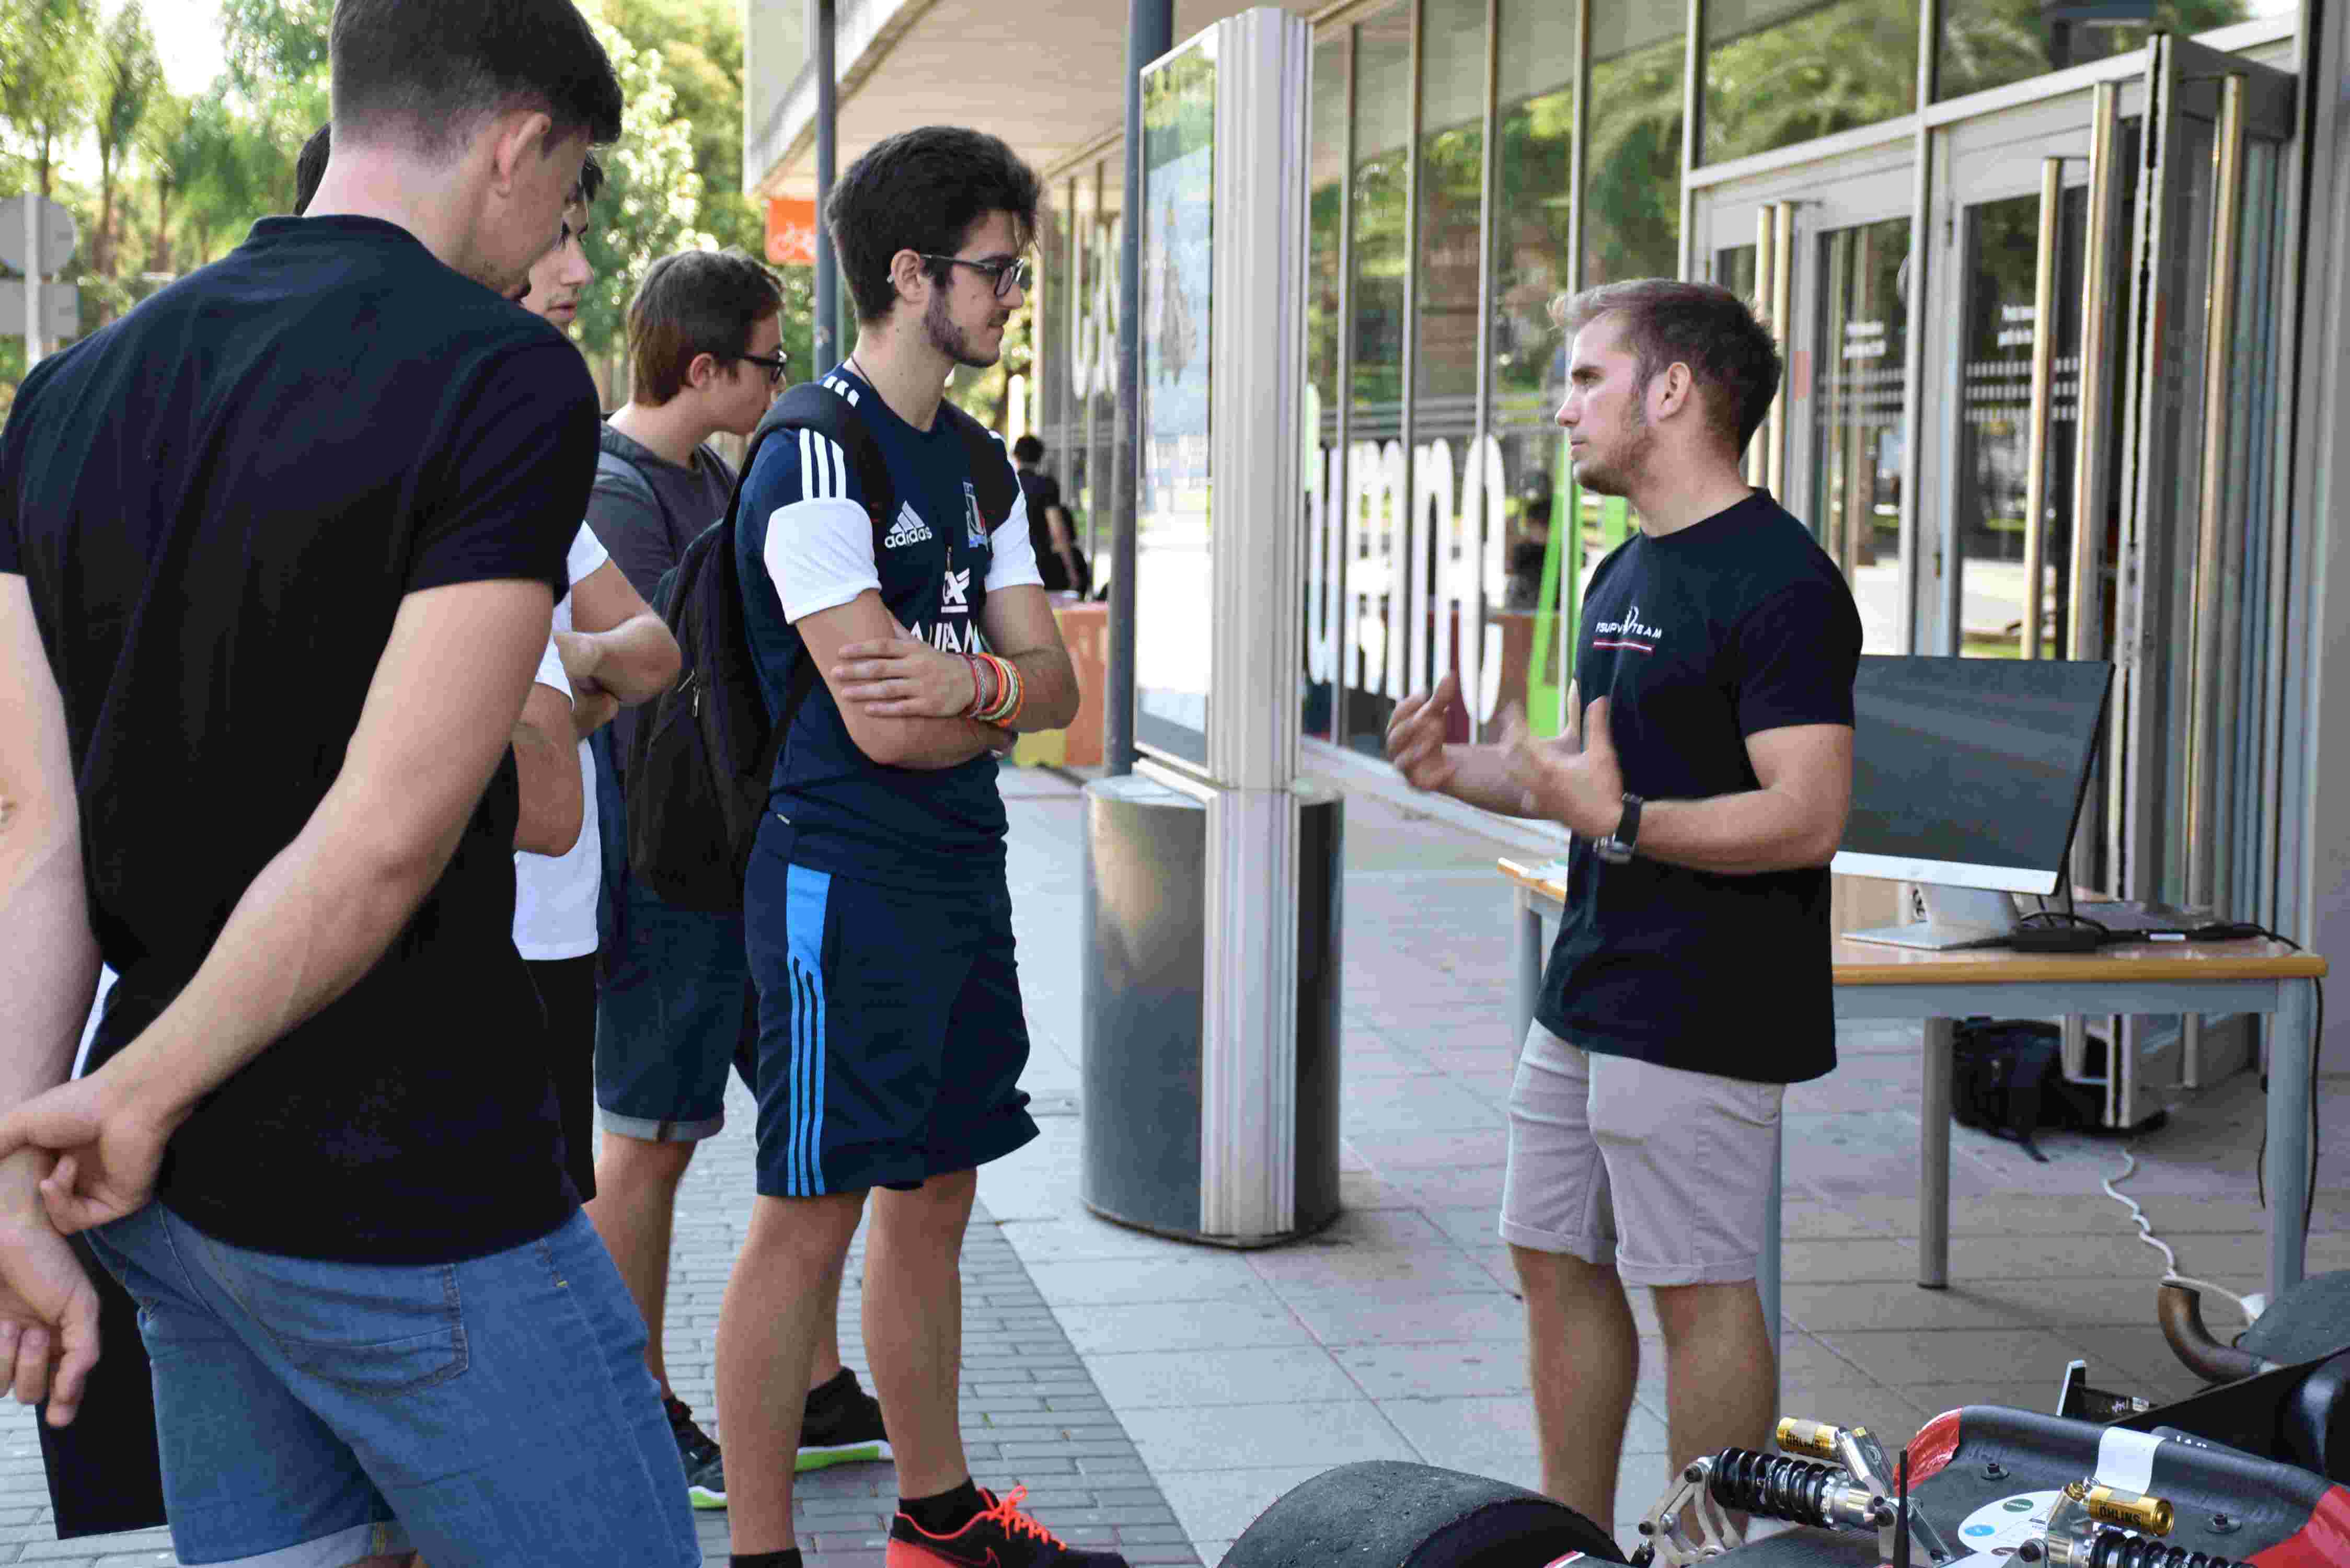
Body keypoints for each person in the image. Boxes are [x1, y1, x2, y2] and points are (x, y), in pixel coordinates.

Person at [0, 4, 703, 1565]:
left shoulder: (68, 393)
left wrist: (23, 1157)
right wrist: (125, 1102)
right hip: (407, 1186)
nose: (567, 232)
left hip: (176, 1205)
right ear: (521, 143)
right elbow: (387, 836)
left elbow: (34, 831)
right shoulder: (505, 380)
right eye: (572, 187)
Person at [1385, 278, 1861, 1536]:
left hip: (1707, 997)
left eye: (1589, 377)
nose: (1565, 408)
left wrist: (1630, 821)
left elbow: (1807, 812)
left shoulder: (1782, 581)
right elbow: (1585, 779)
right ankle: (1574, 1540)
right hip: (1591, 979)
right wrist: (1455, 771)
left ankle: (1707, 1555)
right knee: (1550, 1254)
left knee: (1697, 1287)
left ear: (1673, 391)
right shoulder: (1622, 568)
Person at [721, 125, 1096, 1568]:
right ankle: (764, 1551)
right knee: (805, 1214)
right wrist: (985, 699)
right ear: (908, 273)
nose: (1014, 298)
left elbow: (1056, 688)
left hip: (955, 871)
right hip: (838, 877)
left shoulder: (981, 463)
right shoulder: (812, 452)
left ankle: (937, 1521)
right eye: (998, 272)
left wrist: (971, 687)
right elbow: (880, 727)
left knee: (937, 1190)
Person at [580, 246, 892, 1504]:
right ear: (703, 368)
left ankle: (807, 1384)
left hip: (742, 864)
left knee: (820, 1121)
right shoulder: (608, 495)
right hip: (665, 874)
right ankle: (632, 1405)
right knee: (648, 1144)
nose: (780, 382)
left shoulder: (709, 474)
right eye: (766, 361)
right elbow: (648, 707)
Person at [1011, 433, 1086, 594]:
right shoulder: (1046, 486)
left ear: (1015, 456)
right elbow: (1057, 531)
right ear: (1040, 458)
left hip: (1011, 567)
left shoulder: (1006, 485)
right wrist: (1071, 571)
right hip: (1041, 566)